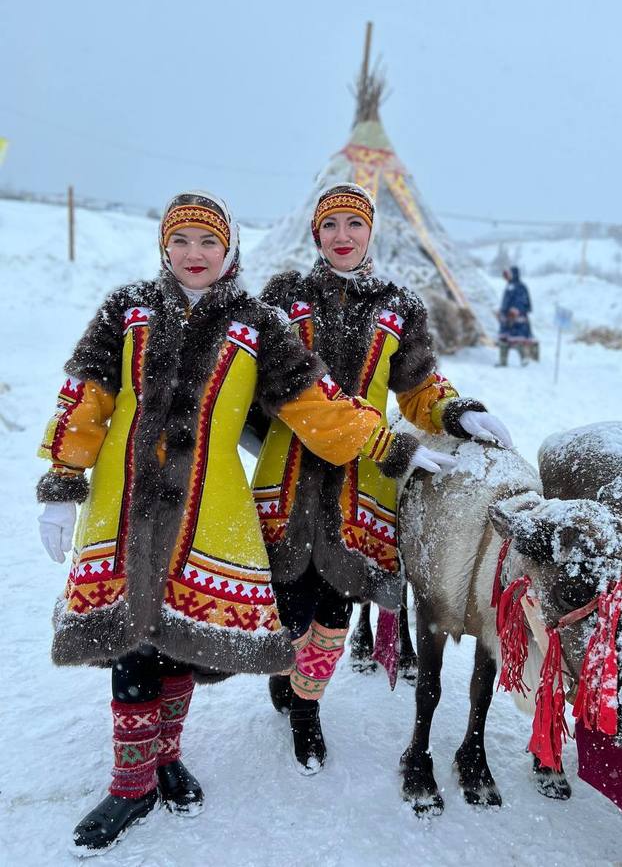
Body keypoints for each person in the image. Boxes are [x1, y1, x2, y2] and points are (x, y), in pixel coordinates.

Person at [35, 190, 451, 855]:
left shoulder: (255, 322)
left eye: (208, 241)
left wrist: (391, 445)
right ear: (163, 247)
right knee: (134, 635)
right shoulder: (128, 311)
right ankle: (130, 781)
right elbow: (87, 392)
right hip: (127, 499)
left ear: (227, 250)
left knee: (182, 637)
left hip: (212, 505)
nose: (194, 254)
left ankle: (166, 757)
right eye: (182, 241)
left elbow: (319, 403)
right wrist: (63, 480)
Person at [252, 183, 512, 773]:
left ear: (372, 232)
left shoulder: (399, 306)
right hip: (287, 476)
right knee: (286, 604)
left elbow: (418, 389)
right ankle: (284, 674)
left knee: (335, 611)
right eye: (330, 226)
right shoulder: (283, 298)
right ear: (314, 234)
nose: (342, 236)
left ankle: (307, 710)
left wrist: (455, 411)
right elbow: (261, 380)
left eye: (354, 225)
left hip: (360, 483)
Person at [496, 265, 534, 366]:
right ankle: (503, 361)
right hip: (506, 318)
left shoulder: (520, 287)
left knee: (517, 340)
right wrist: (501, 311)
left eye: (508, 274)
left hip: (516, 319)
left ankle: (524, 359)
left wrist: (515, 311)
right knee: (503, 340)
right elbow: (506, 302)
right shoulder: (509, 286)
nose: (506, 277)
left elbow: (522, 301)